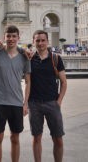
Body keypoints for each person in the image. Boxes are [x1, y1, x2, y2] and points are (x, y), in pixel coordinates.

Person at [0, 25, 31, 162]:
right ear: (4, 37)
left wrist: (25, 103)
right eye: (8, 36)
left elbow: (28, 82)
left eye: (14, 36)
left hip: (16, 102)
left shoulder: (24, 57)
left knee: (15, 138)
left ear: (18, 38)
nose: (11, 39)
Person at [29, 30, 67, 162]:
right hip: (34, 104)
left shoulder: (55, 58)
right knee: (36, 138)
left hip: (52, 103)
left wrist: (59, 101)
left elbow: (63, 82)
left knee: (58, 139)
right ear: (33, 42)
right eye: (37, 40)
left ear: (47, 41)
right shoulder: (29, 59)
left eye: (43, 40)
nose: (40, 43)